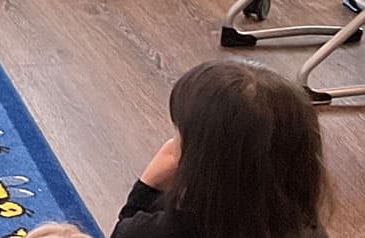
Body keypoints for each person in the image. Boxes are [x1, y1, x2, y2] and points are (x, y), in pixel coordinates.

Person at [112, 59, 329, 238]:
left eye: (179, 133)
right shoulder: (306, 228)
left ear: (202, 163)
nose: (171, 143)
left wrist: (147, 188)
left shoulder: (158, 231)